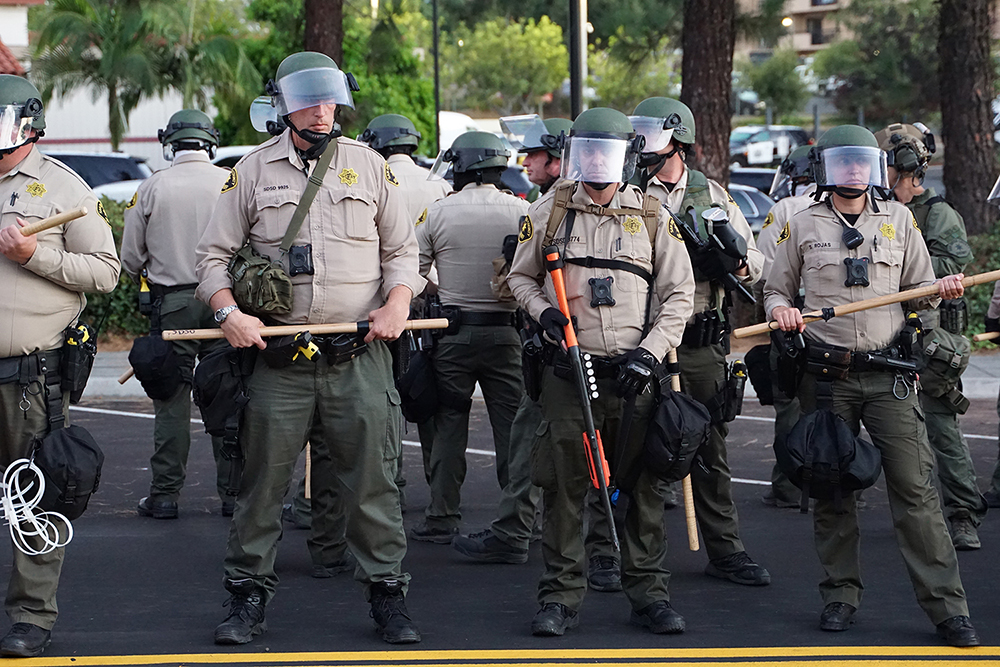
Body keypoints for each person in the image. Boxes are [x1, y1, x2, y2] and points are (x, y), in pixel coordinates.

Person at [195, 52, 424, 645]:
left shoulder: (371, 167)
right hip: (279, 359)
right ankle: (246, 598)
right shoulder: (249, 172)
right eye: (309, 101)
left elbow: (403, 253)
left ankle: (388, 596)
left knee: (374, 483)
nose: (322, 112)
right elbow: (212, 260)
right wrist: (228, 314)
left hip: (358, 354)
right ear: (284, 106)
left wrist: (398, 303)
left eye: (330, 101)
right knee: (262, 486)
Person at [765, 124, 979, 647]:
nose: (854, 172)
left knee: (916, 491)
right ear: (826, 169)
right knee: (832, 488)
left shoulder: (900, 220)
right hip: (827, 377)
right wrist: (782, 311)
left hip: (889, 376)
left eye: (862, 163)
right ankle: (840, 594)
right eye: (844, 163)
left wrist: (940, 290)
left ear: (875, 168)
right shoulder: (802, 222)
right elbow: (774, 289)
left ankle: (948, 609)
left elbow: (920, 293)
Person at [507, 107, 695, 636]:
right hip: (570, 373)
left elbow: (679, 295)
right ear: (575, 154)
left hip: (636, 376)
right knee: (564, 488)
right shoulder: (549, 211)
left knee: (641, 489)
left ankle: (650, 595)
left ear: (627, 157)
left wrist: (652, 352)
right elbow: (519, 279)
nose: (596, 162)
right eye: (587, 151)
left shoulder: (654, 215)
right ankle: (561, 597)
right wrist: (543, 313)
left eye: (606, 152)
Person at [453, 115, 623, 594]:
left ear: (558, 159)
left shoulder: (569, 206)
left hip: (599, 349)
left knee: (591, 451)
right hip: (551, 349)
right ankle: (524, 533)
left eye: (535, 155)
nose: (526, 163)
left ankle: (601, 550)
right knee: (538, 445)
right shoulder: (543, 208)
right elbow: (516, 282)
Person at [0, 74, 120, 656]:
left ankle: (31, 615)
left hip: (28, 378)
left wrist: (33, 255)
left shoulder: (65, 190)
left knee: (33, 497)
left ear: (28, 126)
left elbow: (104, 272)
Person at [630, 97, 770, 586]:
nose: (642, 142)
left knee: (710, 445)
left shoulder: (711, 194)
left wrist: (728, 261)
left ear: (678, 140)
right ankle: (617, 553)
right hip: (642, 339)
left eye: (652, 133)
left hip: (699, 339)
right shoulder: (626, 191)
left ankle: (726, 549)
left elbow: (756, 262)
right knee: (631, 444)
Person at [409, 131, 528, 543]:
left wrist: (441, 293)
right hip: (507, 334)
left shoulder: (437, 212)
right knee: (513, 429)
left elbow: (412, 273)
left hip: (452, 334)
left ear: (460, 166)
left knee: (448, 426)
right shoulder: (520, 211)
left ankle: (443, 515)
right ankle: (520, 521)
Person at [875, 122, 985, 550]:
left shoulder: (937, 213)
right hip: (891, 334)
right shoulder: (882, 211)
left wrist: (904, 269)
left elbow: (956, 264)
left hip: (931, 337)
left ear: (905, 168)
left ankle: (963, 514)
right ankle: (920, 516)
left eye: (884, 166)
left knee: (941, 428)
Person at [121, 109, 235, 519]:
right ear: (209, 142)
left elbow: (130, 257)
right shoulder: (229, 182)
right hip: (225, 303)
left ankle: (165, 495)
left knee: (172, 399)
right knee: (227, 397)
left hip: (174, 304)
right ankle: (232, 494)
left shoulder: (152, 187)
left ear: (170, 143)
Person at [756, 145, 815, 508]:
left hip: (792, 315)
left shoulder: (786, 210)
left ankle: (789, 486)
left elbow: (764, 268)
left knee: (790, 404)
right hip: (841, 317)